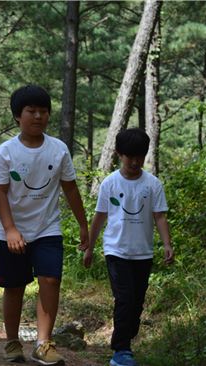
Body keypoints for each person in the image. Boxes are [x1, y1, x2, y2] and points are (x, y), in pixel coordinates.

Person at [0, 85, 89, 364]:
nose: (38, 116)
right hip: (12, 230)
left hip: (48, 227)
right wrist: (10, 228)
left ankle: (44, 343)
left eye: (43, 111)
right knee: (14, 286)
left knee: (50, 279)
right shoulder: (6, 152)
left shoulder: (58, 149)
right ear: (17, 117)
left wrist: (83, 224)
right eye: (31, 111)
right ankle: (12, 342)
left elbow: (70, 188)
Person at [84, 128, 174, 366]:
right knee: (124, 298)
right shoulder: (110, 183)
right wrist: (90, 248)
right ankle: (121, 350)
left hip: (143, 252)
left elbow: (160, 217)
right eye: (129, 156)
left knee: (136, 302)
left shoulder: (152, 184)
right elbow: (99, 217)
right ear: (119, 154)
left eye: (139, 157)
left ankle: (126, 338)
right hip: (116, 251)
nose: (134, 162)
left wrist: (167, 244)